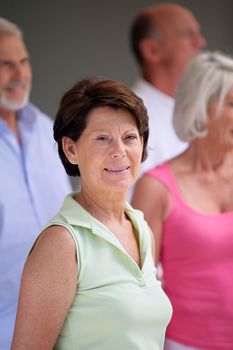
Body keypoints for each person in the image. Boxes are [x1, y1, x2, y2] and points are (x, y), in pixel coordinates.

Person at [10, 77, 172, 350]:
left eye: (130, 137)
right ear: (71, 149)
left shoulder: (140, 226)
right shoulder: (62, 243)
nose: (119, 151)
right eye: (102, 139)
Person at [131, 51, 233, 350]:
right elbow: (138, 285)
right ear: (201, 108)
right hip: (186, 343)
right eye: (231, 103)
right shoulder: (155, 188)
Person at [0, 17, 71, 350]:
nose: (20, 75)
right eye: (6, 65)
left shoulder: (47, 130)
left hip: (66, 326)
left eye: (24, 62)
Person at [129, 3, 206, 185]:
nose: (201, 43)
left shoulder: (204, 112)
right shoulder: (128, 117)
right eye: (188, 34)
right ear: (152, 50)